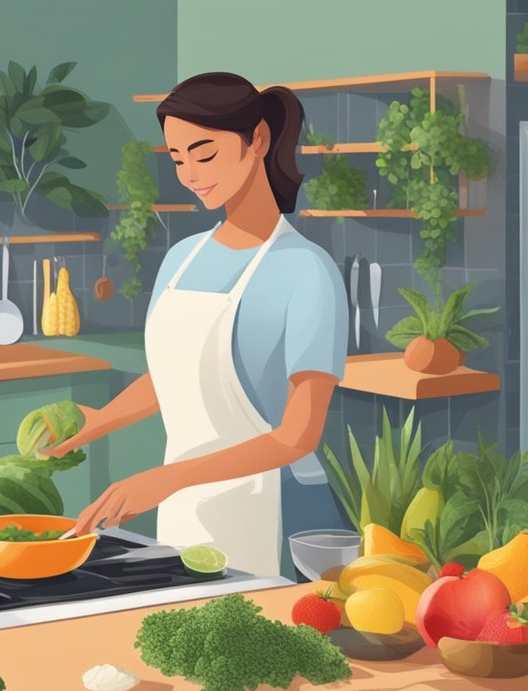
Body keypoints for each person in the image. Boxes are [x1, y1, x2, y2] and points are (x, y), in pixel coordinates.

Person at [50, 72, 348, 578]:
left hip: (275, 513)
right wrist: (100, 421)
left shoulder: (307, 270)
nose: (189, 173)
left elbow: (298, 435)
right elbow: (181, 378)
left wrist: (167, 479)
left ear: (256, 139)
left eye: (203, 154)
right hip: (187, 508)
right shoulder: (183, 257)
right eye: (177, 158)